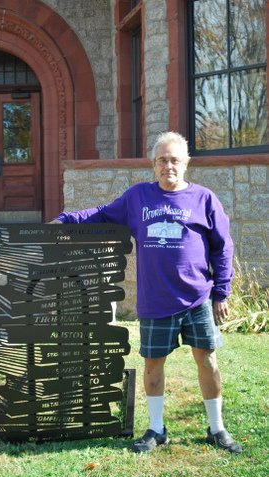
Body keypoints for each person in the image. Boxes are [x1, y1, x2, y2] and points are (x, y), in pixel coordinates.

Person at [50, 131, 242, 454]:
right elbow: (101, 215)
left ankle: (217, 428)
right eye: (162, 160)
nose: (169, 166)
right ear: (153, 164)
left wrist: (221, 292)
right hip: (156, 301)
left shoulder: (204, 199)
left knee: (207, 360)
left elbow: (223, 247)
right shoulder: (138, 198)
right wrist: (66, 221)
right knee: (153, 365)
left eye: (175, 160)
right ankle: (156, 428)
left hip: (197, 298)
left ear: (186, 163)